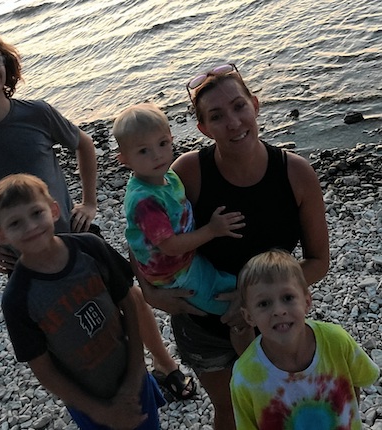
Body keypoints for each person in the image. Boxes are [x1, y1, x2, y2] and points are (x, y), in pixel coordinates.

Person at [0, 27, 193, 401]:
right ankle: (102, 395)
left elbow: (85, 144)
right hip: (26, 259)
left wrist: (89, 201)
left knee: (128, 298)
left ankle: (165, 367)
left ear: (6, 64)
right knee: (67, 328)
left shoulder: (37, 114)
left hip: (78, 241)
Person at [137, 63, 330, 429]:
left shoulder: (296, 173)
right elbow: (143, 232)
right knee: (230, 413)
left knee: (285, 408)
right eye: (216, 116)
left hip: (277, 322)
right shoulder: (188, 172)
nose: (233, 122)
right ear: (203, 128)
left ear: (255, 105)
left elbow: (319, 262)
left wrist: (252, 296)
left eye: (239, 106)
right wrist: (150, 293)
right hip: (203, 327)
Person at [0, 173, 166, 429]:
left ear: (54, 210)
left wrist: (136, 372)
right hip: (89, 401)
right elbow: (44, 370)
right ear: (1, 236)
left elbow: (130, 303)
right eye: (16, 223)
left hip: (132, 376)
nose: (31, 227)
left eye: (37, 213)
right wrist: (100, 412)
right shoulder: (17, 299)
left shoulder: (91, 248)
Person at [113, 103, 254, 356]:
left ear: (171, 139)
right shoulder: (145, 200)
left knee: (240, 285)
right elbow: (169, 245)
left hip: (187, 260)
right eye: (143, 151)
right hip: (175, 273)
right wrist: (212, 230)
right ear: (123, 159)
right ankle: (251, 358)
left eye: (162, 144)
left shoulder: (168, 176)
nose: (157, 155)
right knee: (235, 311)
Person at [231, 249, 379, 429]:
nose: (279, 310)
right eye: (264, 303)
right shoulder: (245, 377)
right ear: (248, 317)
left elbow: (356, 382)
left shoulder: (337, 341)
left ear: (307, 302)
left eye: (287, 298)